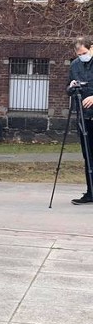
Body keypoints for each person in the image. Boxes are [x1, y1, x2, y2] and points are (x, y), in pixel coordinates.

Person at [68, 36, 93, 204]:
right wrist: (71, 87)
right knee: (88, 156)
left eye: (84, 53)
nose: (82, 56)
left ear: (91, 48)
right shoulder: (74, 65)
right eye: (79, 54)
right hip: (84, 118)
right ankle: (90, 192)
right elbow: (68, 90)